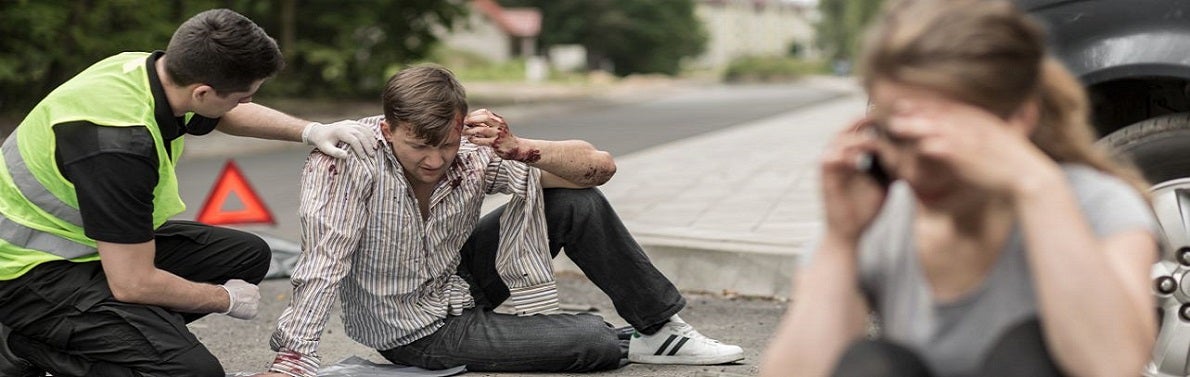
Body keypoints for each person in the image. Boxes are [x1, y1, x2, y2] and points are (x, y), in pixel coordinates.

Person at [257, 65, 745, 376]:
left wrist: (517, 149)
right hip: (414, 330)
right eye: (419, 146)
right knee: (591, 342)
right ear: (388, 130)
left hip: (458, 281)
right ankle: (599, 338)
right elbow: (324, 261)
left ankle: (662, 330)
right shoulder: (349, 159)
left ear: (460, 126)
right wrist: (293, 359)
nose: (435, 160)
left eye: (445, 144)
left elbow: (598, 169)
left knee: (576, 203)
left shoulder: (472, 147)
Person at [759, 0, 1160, 376]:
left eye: (941, 140)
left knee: (1028, 352)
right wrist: (841, 240)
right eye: (898, 138)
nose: (916, 170)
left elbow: (1113, 366)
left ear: (1018, 117)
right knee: (873, 363)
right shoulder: (878, 213)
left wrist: (1037, 186)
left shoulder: (1093, 203)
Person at [0, 8, 374, 377]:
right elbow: (132, 283)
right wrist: (223, 300)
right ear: (203, 91)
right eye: (243, 96)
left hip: (86, 248)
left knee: (247, 255)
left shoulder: (149, 72)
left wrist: (311, 131)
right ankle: (23, 344)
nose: (245, 104)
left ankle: (117, 333)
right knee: (192, 372)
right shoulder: (116, 145)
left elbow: (223, 112)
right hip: (26, 275)